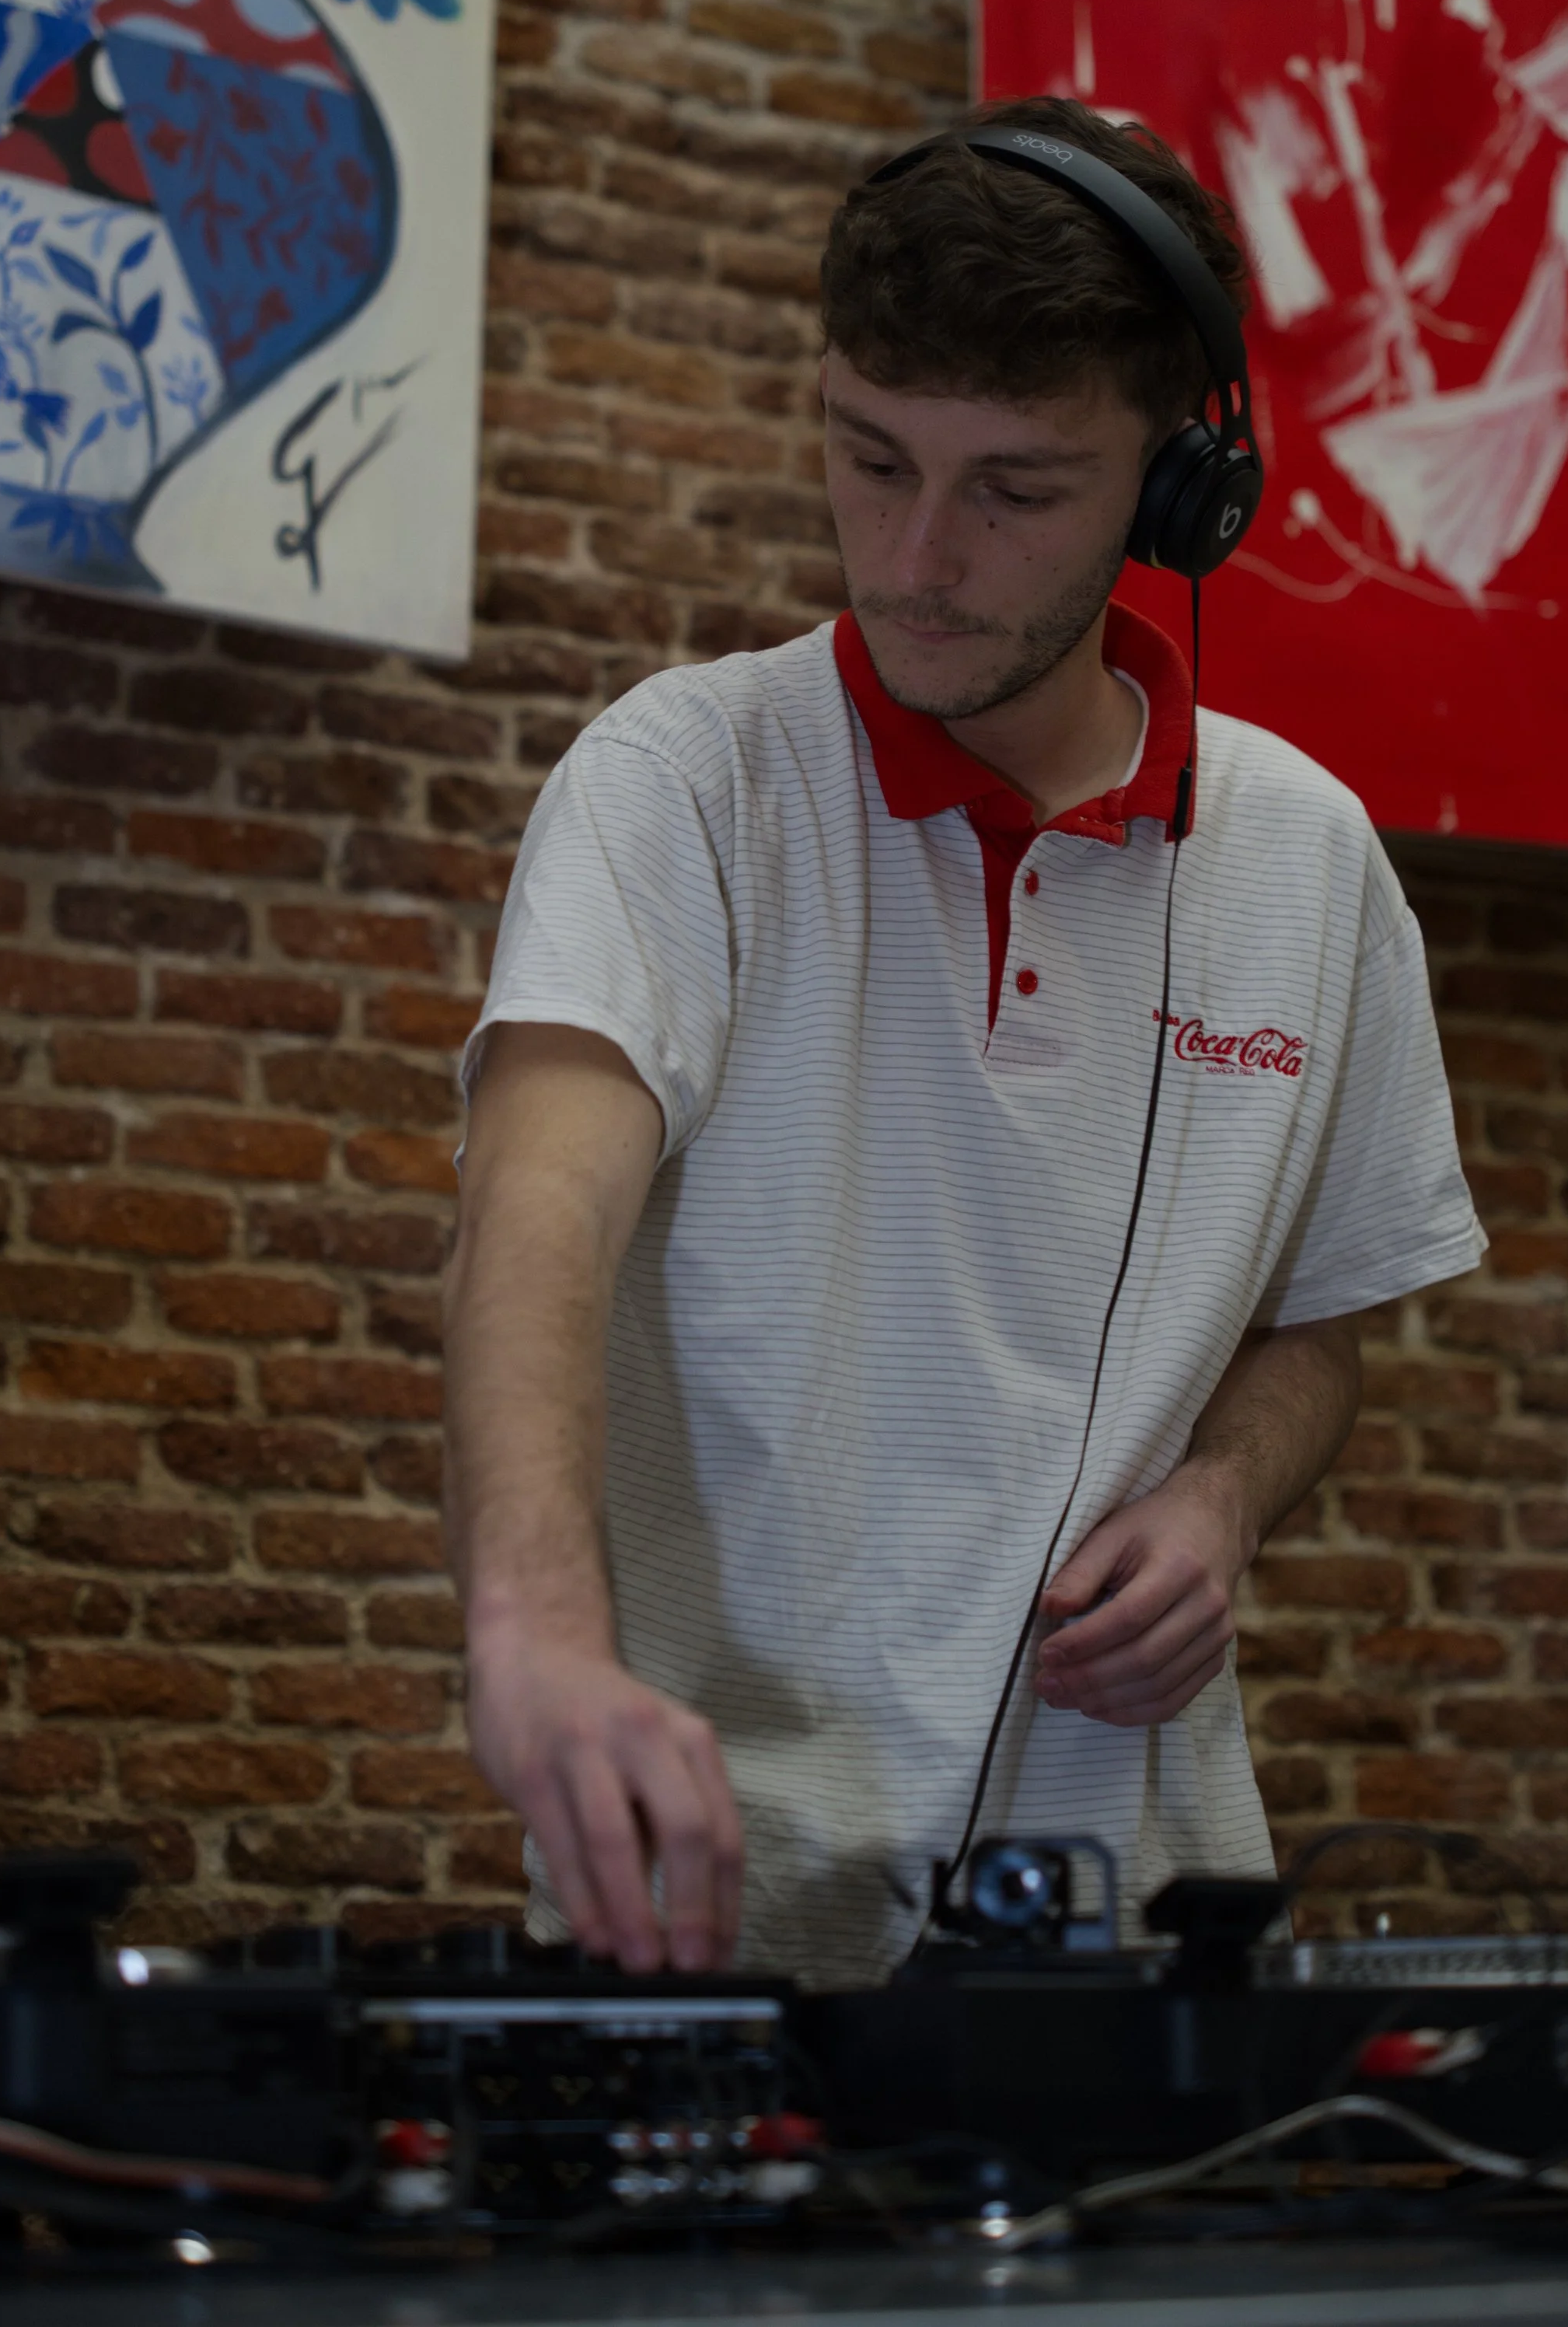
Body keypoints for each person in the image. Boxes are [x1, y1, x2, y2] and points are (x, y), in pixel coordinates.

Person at [441, 96, 1484, 1993]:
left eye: (1013, 489)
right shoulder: (682, 781)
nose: (917, 554)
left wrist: (1223, 1491)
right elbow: (538, 1201)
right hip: (705, 1923)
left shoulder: (1309, 862)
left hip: (1141, 1940)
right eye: (868, 457)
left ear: (1181, 488)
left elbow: (1320, 1323)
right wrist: (529, 1629)